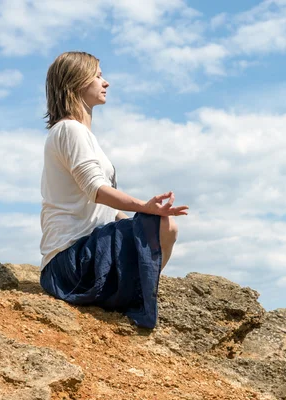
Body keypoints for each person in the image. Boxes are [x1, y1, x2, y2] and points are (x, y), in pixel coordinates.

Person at [39, 51, 188, 329]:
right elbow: (96, 189)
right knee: (161, 227)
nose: (105, 82)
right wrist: (145, 208)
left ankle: (133, 294)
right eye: (97, 76)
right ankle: (137, 296)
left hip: (82, 257)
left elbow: (104, 209)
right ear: (76, 82)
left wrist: (145, 217)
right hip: (70, 264)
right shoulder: (70, 130)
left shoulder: (78, 134)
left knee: (162, 226)